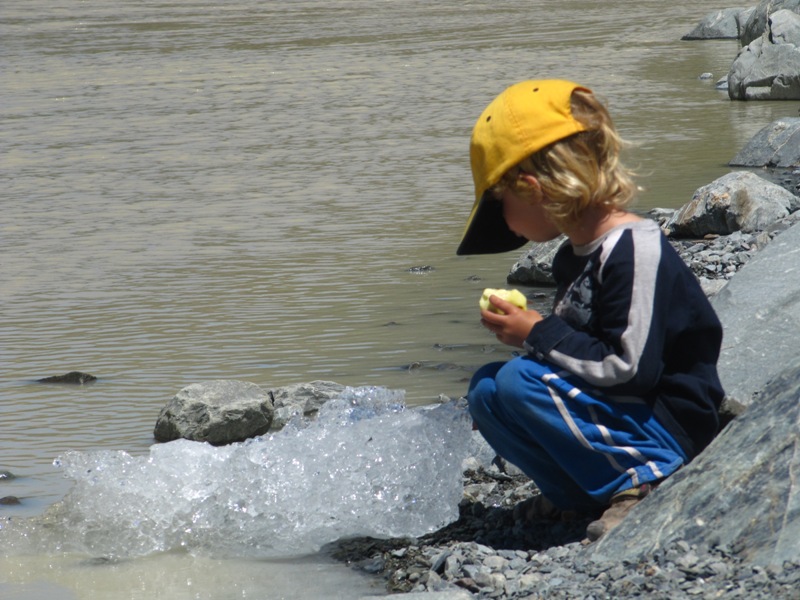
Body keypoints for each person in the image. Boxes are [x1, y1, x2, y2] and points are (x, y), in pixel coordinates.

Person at [456, 79, 725, 542]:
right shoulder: (572, 256)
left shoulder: (634, 248)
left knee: (517, 380)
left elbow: (629, 368)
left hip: (666, 424)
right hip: (621, 410)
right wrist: (530, 335)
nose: (504, 223)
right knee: (487, 389)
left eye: (500, 204)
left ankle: (647, 476)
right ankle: (577, 494)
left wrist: (537, 332)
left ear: (531, 188)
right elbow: (579, 355)